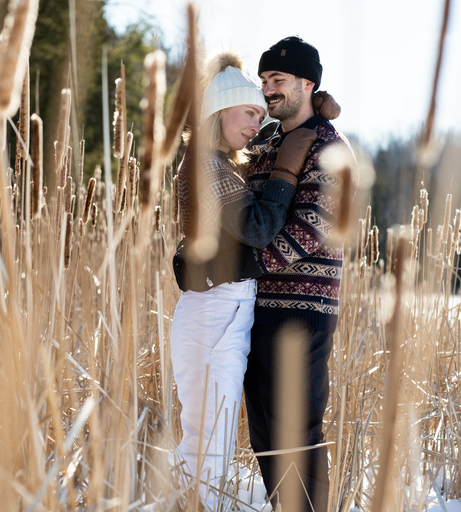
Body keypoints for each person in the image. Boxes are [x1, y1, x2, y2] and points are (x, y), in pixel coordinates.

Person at [170, 51, 320, 508]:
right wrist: (286, 172)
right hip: (218, 309)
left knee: (205, 432)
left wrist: (314, 110)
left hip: (218, 308)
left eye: (261, 112)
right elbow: (256, 229)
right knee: (209, 436)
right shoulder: (209, 167)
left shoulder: (215, 162)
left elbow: (269, 132)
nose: (259, 123)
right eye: (250, 112)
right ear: (219, 111)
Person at [241, 36, 357, 511]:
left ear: (308, 84)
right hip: (256, 307)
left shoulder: (329, 146)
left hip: (301, 310)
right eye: (265, 79)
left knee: (297, 431)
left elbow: (312, 227)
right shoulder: (267, 141)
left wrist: (244, 265)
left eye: (279, 80)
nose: (269, 89)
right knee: (266, 433)